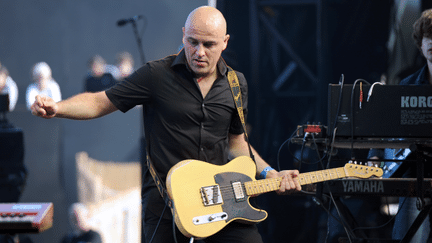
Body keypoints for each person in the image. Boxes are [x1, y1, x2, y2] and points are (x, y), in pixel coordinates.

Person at [30, 6, 301, 243]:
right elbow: (102, 101)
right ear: (183, 34)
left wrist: (269, 173)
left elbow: (237, 143)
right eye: (192, 41)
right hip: (166, 201)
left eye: (209, 45)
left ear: (225, 42)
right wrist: (58, 108)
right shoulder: (156, 75)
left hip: (221, 197)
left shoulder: (236, 83)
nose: (199, 52)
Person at [369, 8, 432, 243]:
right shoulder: (407, 84)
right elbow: (385, 127)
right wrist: (375, 157)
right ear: (420, 43)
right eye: (428, 37)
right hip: (414, 179)